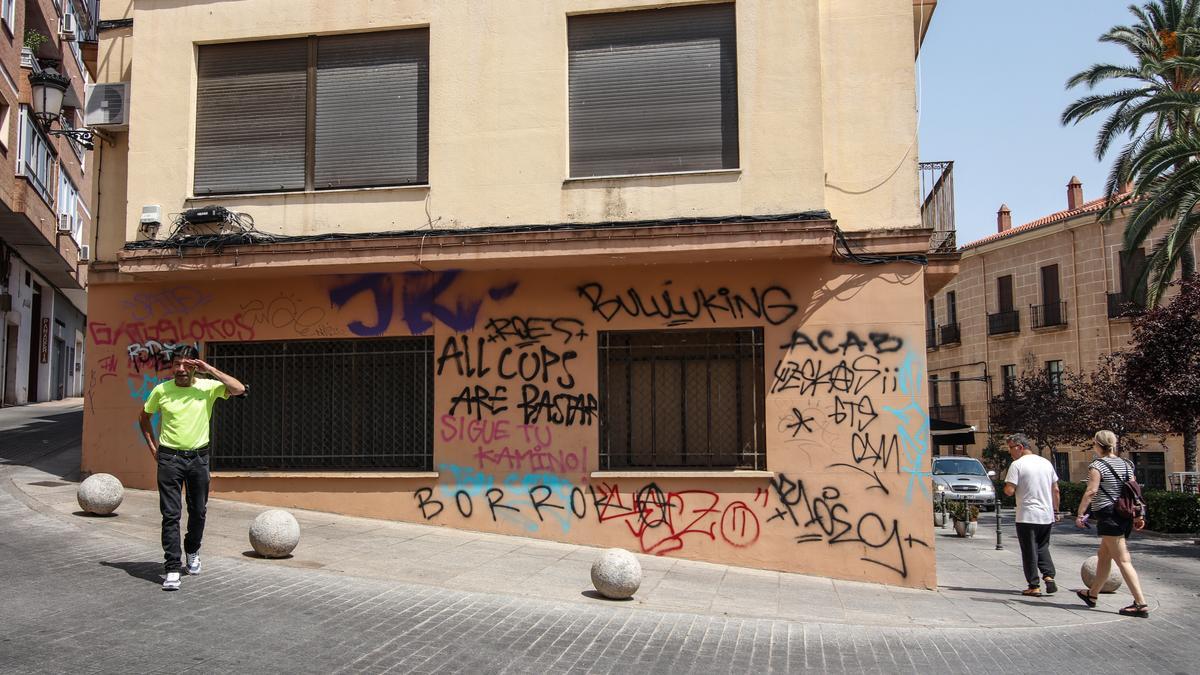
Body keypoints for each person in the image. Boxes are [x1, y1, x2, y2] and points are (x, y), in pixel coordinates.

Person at [138, 348, 245, 591]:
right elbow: (143, 418)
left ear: (196, 367)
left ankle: (192, 549)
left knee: (198, 511)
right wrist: (154, 449)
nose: (181, 369)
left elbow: (239, 389)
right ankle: (172, 567)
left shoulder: (207, 387)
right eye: (177, 364)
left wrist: (210, 369)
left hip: (199, 459)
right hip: (169, 459)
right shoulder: (161, 390)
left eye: (187, 365)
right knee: (170, 514)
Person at [1074, 430, 1149, 617]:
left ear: (1097, 444)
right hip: (1123, 514)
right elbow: (1135, 492)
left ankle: (1140, 603)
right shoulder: (1126, 464)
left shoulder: (1097, 465)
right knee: (1104, 555)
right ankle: (1092, 595)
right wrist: (1138, 515)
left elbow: (1091, 491)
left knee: (1123, 560)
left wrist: (1080, 513)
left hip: (1109, 516)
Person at [1002, 433, 1060, 596]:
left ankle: (1034, 585)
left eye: (1011, 448)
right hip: (1046, 515)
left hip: (1027, 515)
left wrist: (1006, 489)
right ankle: (1049, 577)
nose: (1010, 452)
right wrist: (1055, 511)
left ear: (1020, 447)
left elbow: (1009, 490)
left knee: (1029, 550)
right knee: (1042, 547)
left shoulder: (1017, 465)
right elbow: (1055, 489)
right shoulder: (1046, 463)